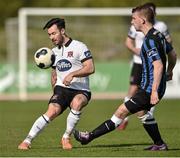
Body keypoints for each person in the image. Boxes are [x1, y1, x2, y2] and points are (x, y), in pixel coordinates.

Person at [73, 4, 177, 151]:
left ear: (142, 20)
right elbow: (173, 54)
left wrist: (154, 91)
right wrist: (171, 71)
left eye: (133, 18)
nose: (131, 21)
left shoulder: (149, 41)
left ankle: (88, 137)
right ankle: (159, 144)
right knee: (142, 113)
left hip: (149, 89)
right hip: (150, 87)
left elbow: (158, 65)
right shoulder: (158, 35)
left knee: (121, 111)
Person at [18, 18, 95, 150]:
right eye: (49, 35)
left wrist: (72, 74)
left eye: (54, 33)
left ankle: (66, 137)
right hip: (62, 89)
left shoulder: (79, 46)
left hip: (81, 89)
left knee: (77, 103)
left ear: (62, 31)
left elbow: (90, 68)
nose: (51, 37)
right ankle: (27, 140)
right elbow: (54, 72)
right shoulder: (53, 52)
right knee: (52, 110)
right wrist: (54, 86)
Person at [118, 2, 173, 130]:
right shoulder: (135, 24)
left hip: (153, 63)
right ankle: (124, 118)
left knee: (150, 92)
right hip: (138, 62)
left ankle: (148, 116)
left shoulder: (161, 26)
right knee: (132, 90)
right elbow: (128, 42)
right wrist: (135, 50)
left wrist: (161, 54)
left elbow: (169, 42)